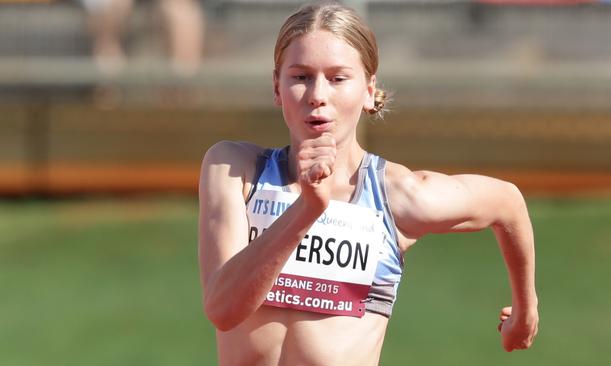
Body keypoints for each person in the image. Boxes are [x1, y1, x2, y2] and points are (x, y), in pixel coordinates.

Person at [198, 2, 539, 365]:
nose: (317, 94)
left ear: (368, 90)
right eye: (300, 76)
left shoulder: (398, 196)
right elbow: (224, 310)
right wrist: (307, 210)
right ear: (276, 86)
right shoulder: (235, 169)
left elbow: (508, 202)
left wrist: (525, 312)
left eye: (338, 78)